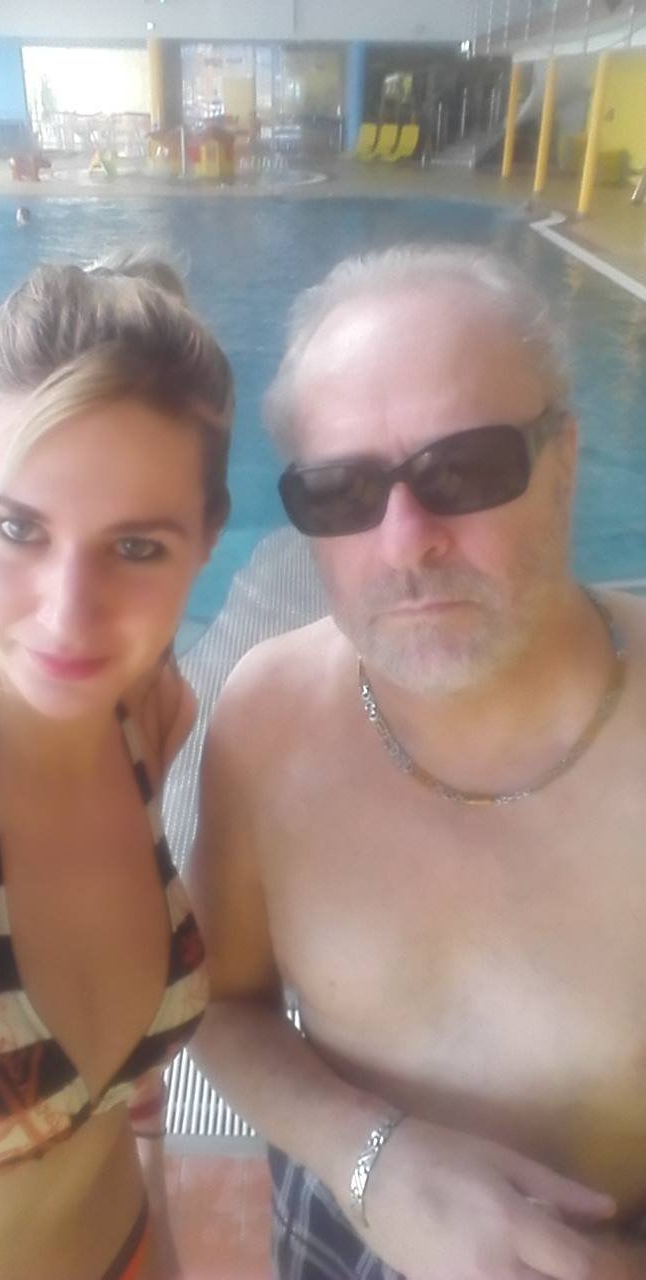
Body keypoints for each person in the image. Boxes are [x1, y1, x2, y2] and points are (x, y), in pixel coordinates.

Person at [190, 245, 646, 1280]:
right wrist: (370, 1159)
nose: (407, 540)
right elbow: (217, 1003)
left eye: (465, 469)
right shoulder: (265, 720)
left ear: (566, 459)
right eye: (342, 490)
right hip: (348, 1223)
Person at [0, 250, 233, 1280]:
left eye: (137, 547)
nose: (68, 614)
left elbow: (126, 1093)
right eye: (18, 528)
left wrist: (164, 1221)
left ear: (207, 539)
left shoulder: (147, 713)